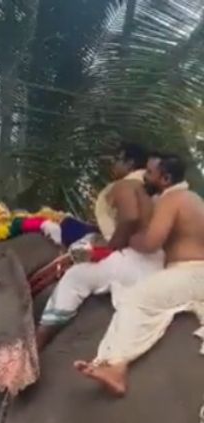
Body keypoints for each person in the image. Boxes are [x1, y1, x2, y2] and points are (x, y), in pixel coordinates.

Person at [74, 153, 204, 396]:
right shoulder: (193, 198)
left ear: (165, 178)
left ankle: (116, 368)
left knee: (136, 300)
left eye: (151, 173)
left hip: (190, 273)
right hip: (197, 274)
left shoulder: (172, 199)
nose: (145, 176)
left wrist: (124, 238)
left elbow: (151, 243)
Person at [36, 143, 163, 348]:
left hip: (134, 262)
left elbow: (130, 218)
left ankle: (39, 340)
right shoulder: (157, 186)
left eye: (116, 160)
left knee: (75, 277)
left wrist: (112, 246)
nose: (112, 166)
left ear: (130, 163)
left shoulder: (126, 185)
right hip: (158, 261)